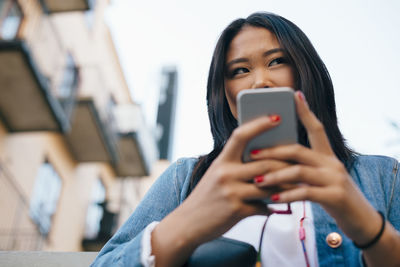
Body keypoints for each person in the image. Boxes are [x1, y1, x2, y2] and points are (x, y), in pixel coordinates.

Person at [91, 12, 400, 267]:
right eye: (240, 70)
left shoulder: (383, 177)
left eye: (277, 61)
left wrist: (371, 231)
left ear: (307, 71)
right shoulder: (185, 179)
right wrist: (182, 226)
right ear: (225, 96)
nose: (260, 81)